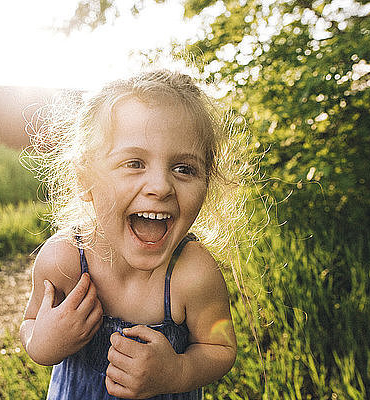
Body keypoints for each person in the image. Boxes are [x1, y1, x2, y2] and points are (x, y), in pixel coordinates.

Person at [20, 70, 245, 399]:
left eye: (184, 168)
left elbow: (219, 347)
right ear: (85, 179)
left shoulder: (193, 274)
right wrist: (41, 343)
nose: (160, 186)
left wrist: (179, 372)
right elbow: (30, 321)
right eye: (134, 163)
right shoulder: (62, 261)